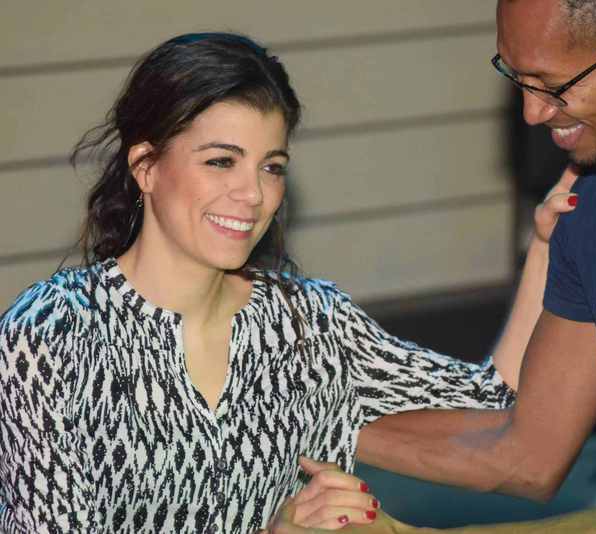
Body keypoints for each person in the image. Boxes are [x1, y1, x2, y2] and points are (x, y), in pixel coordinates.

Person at [272, 1, 596, 532]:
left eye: (553, 85)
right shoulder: (593, 198)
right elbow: (526, 453)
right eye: (516, 79)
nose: (532, 112)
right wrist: (291, 424)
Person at [0, 32, 553, 533]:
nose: (253, 195)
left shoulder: (313, 325)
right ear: (145, 166)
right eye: (221, 161)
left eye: (272, 167)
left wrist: (548, 245)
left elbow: (492, 401)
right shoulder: (50, 335)